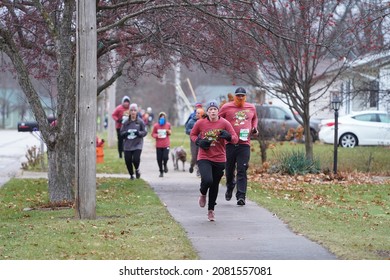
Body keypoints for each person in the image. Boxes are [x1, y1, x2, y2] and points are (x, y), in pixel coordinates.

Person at [190, 100, 238, 222]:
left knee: (215, 184)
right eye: (210, 109)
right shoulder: (201, 123)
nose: (212, 111)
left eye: (215, 109)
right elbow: (193, 134)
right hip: (204, 156)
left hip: (219, 158)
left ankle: (211, 211)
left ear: (218, 111)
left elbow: (235, 138)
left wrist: (228, 137)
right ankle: (202, 193)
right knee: (208, 180)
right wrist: (199, 142)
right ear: (207, 111)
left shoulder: (224, 123)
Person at [218, 87, 259, 206]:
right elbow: (219, 120)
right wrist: (221, 132)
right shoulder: (226, 107)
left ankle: (241, 196)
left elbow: (255, 118)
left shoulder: (251, 107)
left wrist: (255, 128)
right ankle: (230, 186)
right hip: (230, 144)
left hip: (244, 144)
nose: (240, 98)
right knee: (229, 170)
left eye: (242, 96)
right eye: (238, 96)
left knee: (242, 169)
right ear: (235, 97)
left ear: (245, 97)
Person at [120, 103, 147, 180]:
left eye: (134, 110)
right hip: (127, 145)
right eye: (131, 110)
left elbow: (145, 132)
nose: (133, 112)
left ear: (137, 112)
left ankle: (137, 170)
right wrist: (126, 133)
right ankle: (131, 175)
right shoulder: (126, 122)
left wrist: (139, 133)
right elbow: (121, 133)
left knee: (135, 159)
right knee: (128, 160)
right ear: (129, 112)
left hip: (137, 144)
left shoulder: (140, 122)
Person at [185, 107, 205, 176]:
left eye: (198, 113)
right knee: (194, 156)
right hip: (193, 141)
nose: (196, 114)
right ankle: (191, 165)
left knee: (200, 156)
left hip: (201, 141)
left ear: (202, 114)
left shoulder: (205, 121)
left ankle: (198, 171)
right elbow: (187, 130)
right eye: (196, 112)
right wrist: (194, 131)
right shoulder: (191, 121)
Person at [151, 112, 172, 177]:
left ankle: (165, 165)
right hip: (159, 145)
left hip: (166, 144)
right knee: (159, 159)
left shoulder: (168, 125)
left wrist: (168, 131)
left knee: (165, 157)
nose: (162, 119)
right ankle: (161, 171)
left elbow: (170, 132)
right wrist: (157, 135)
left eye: (163, 118)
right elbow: (153, 134)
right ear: (159, 118)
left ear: (165, 118)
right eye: (161, 118)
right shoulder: (156, 125)